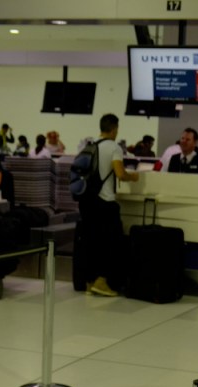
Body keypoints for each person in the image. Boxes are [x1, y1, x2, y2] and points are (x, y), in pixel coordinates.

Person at [77, 113, 138, 297]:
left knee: (91, 241)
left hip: (86, 201)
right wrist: (133, 177)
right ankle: (102, 281)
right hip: (105, 202)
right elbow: (120, 173)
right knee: (110, 242)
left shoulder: (89, 146)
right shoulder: (114, 147)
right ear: (114, 129)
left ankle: (89, 282)